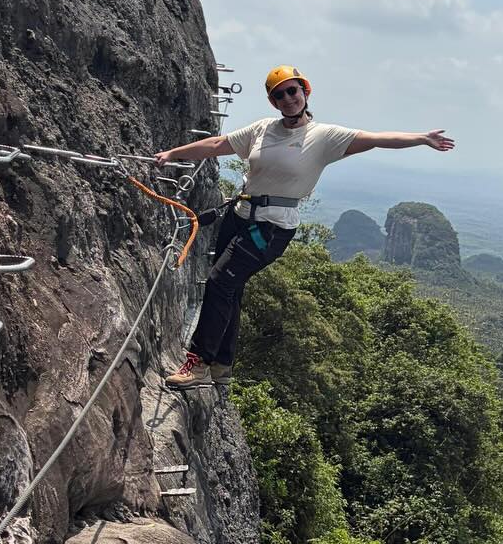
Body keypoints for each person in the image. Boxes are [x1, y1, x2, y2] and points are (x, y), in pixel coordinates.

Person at [155, 65, 455, 388]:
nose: (287, 98)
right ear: (273, 101)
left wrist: (422, 138)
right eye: (279, 94)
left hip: (272, 228)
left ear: (305, 92)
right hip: (239, 216)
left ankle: (198, 363)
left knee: (218, 283)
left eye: (292, 91)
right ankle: (221, 366)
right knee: (231, 288)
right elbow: (217, 145)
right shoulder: (262, 129)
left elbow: (375, 139)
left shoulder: (322, 137)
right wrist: (174, 153)